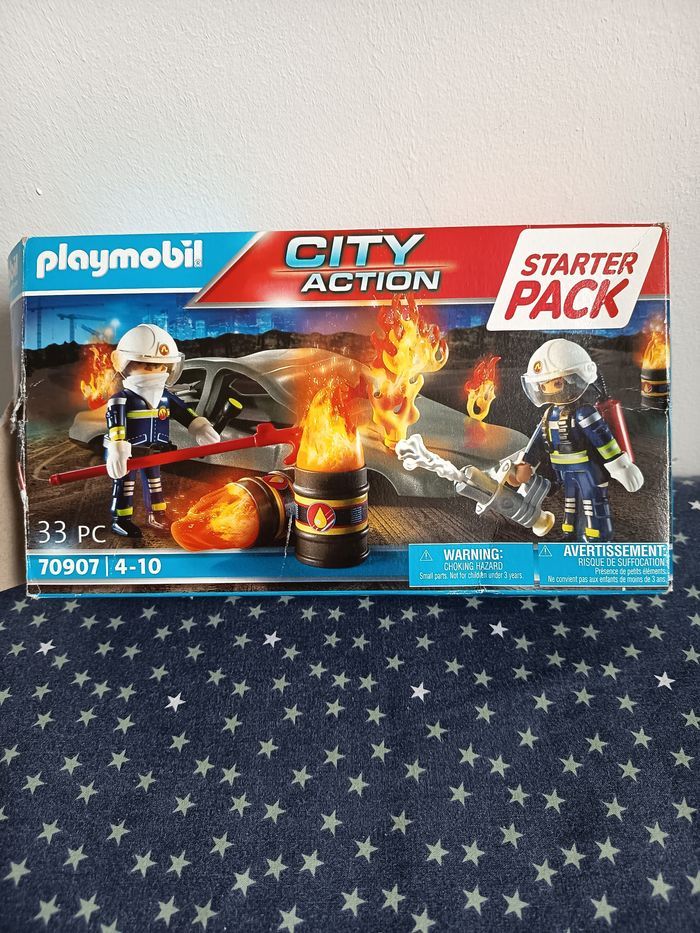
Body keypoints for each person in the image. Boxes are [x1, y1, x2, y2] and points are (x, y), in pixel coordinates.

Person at [511, 338, 643, 541]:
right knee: (570, 503)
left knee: (592, 502)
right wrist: (526, 463)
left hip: (588, 469)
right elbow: (536, 443)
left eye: (557, 383)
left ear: (576, 378)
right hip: (564, 471)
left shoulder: (584, 413)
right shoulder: (549, 415)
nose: (550, 389)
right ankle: (570, 533)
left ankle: (597, 536)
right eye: (544, 385)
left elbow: (604, 440)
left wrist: (622, 467)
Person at [104, 323, 220, 537]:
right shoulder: (121, 399)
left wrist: (200, 426)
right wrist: (118, 448)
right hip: (130, 453)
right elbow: (116, 424)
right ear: (125, 364)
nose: (156, 372)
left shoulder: (166, 397)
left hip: (155, 451)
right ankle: (121, 519)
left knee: (155, 484)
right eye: (147, 366)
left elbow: (185, 413)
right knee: (125, 484)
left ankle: (157, 515)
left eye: (161, 366)